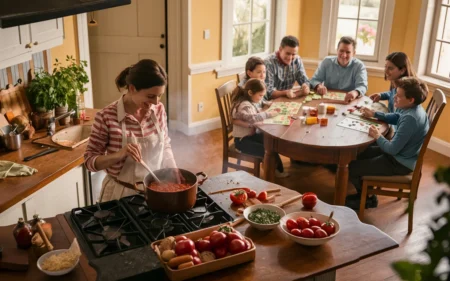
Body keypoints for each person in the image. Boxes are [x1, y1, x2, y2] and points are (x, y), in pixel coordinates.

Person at [84, 59, 178, 202]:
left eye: (160, 95)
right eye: (151, 96)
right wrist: (120, 154)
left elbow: (164, 144)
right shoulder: (106, 117)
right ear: (132, 88)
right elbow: (90, 162)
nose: (156, 102)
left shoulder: (158, 109)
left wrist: (173, 168)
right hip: (119, 195)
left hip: (155, 191)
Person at [345, 77, 429, 209]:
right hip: (403, 154)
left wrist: (378, 136)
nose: (394, 97)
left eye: (399, 96)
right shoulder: (413, 109)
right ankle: (367, 191)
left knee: (352, 167)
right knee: (361, 152)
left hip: (399, 162)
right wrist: (375, 114)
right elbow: (397, 118)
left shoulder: (410, 119)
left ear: (411, 99)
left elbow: (391, 149)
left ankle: (368, 198)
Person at [231, 78, 288, 178]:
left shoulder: (251, 100)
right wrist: (269, 114)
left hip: (251, 136)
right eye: (260, 95)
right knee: (265, 149)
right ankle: (271, 171)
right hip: (242, 141)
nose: (261, 98)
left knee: (270, 142)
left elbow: (260, 103)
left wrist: (269, 104)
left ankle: (278, 169)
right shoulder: (244, 105)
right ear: (250, 93)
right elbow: (252, 118)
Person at [361, 52, 416, 122]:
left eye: (390, 68)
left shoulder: (407, 91)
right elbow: (392, 93)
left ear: (402, 70)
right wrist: (381, 95)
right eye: (385, 67)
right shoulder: (396, 82)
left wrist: (374, 114)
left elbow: (399, 118)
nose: (386, 71)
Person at [310, 36, 368, 103]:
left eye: (348, 52)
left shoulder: (359, 66)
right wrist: (319, 86)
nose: (344, 55)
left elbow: (362, 86)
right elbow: (314, 80)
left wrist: (355, 93)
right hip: (328, 100)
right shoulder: (327, 61)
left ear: (354, 53)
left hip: (349, 101)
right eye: (341, 51)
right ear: (337, 50)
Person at [264, 35, 310, 100]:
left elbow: (305, 81)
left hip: (288, 100)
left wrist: (305, 86)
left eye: (293, 54)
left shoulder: (297, 60)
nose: (290, 58)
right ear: (280, 49)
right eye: (288, 53)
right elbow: (268, 93)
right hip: (271, 102)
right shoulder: (269, 63)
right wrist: (285, 92)